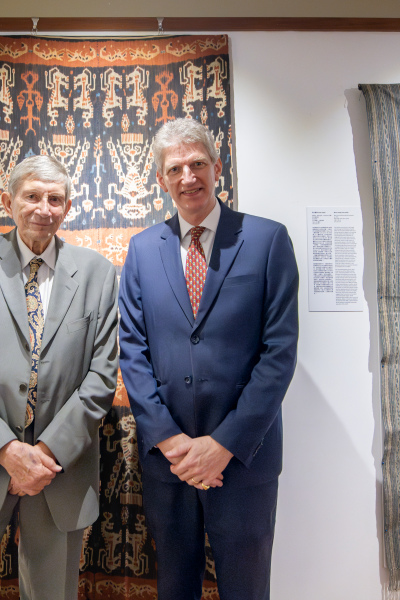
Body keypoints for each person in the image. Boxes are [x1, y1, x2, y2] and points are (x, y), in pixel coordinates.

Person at [118, 119, 298, 600]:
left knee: (246, 589)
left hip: (243, 458)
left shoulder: (267, 240)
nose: (188, 177)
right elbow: (132, 350)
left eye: (197, 163)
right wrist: (171, 442)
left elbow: (279, 353)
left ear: (218, 167)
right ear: (161, 180)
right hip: (169, 463)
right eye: (175, 168)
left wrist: (223, 444)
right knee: (175, 587)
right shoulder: (142, 250)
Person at [0, 155, 119, 600]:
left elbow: (101, 377)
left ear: (67, 207)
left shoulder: (97, 273)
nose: (43, 209)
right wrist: (7, 451)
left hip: (59, 472)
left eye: (55, 199)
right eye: (32, 196)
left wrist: (43, 456)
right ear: (7, 201)